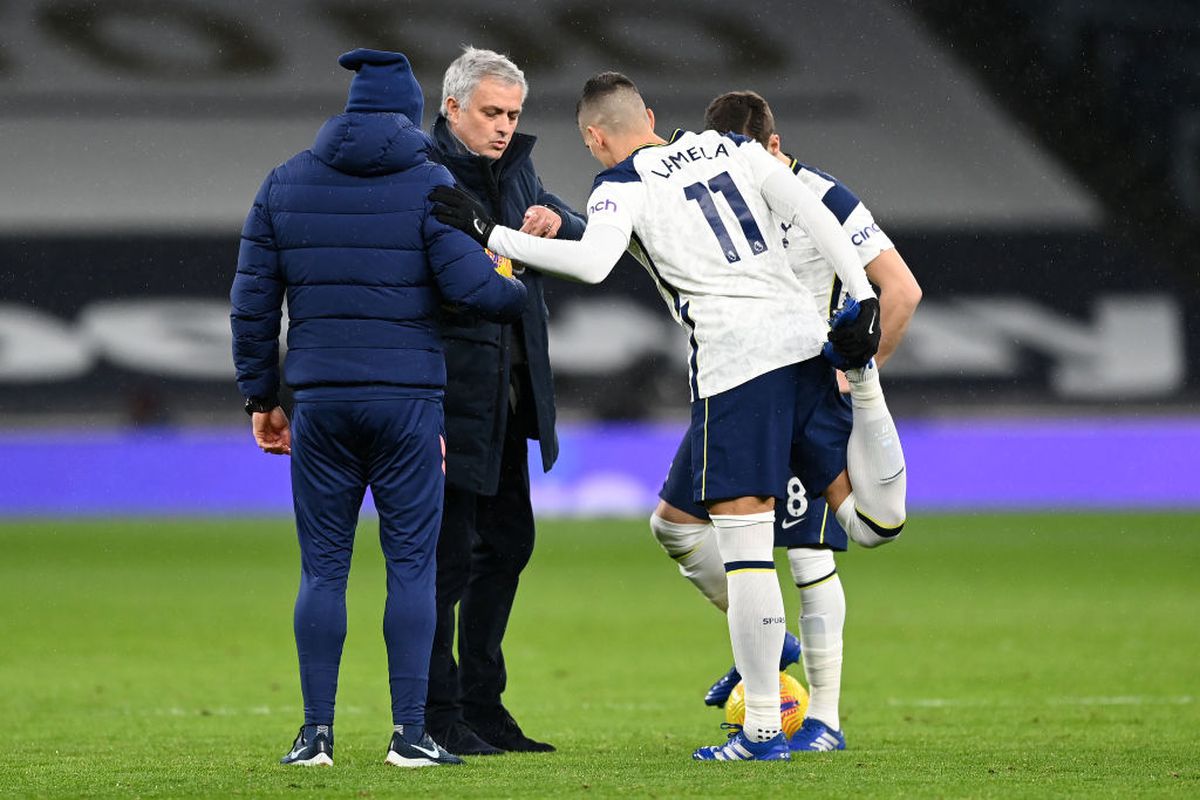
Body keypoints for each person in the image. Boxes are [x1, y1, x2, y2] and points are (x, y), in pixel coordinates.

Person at [430, 72, 907, 762]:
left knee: (747, 555)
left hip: (736, 366)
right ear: (649, 115)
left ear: (594, 138)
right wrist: (861, 297)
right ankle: (866, 393)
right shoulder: (730, 149)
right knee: (697, 524)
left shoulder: (620, 186)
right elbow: (810, 209)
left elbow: (594, 264)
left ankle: (764, 729)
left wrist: (491, 232)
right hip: (804, 343)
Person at [229, 48, 527, 769]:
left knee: (323, 572)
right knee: (412, 569)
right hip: (407, 408)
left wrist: (261, 396)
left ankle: (315, 735)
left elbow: (252, 303)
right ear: (412, 110)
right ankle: (409, 734)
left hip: (321, 404)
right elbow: (487, 295)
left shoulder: (286, 181)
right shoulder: (431, 184)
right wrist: (508, 268)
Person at [650, 90, 922, 753]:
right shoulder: (709, 195)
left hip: (807, 386)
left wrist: (858, 369)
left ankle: (823, 720)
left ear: (774, 148)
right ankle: (772, 645)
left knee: (807, 551)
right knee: (676, 526)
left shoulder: (823, 197)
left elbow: (902, 290)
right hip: (742, 382)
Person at [424, 46, 586, 757]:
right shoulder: (423, 175)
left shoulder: (516, 168)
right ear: (451, 107)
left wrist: (554, 217)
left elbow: (574, 227)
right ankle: (437, 712)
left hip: (511, 395)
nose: (503, 125)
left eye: (513, 114)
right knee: (447, 560)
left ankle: (482, 706)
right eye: (492, 112)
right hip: (455, 399)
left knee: (508, 545)